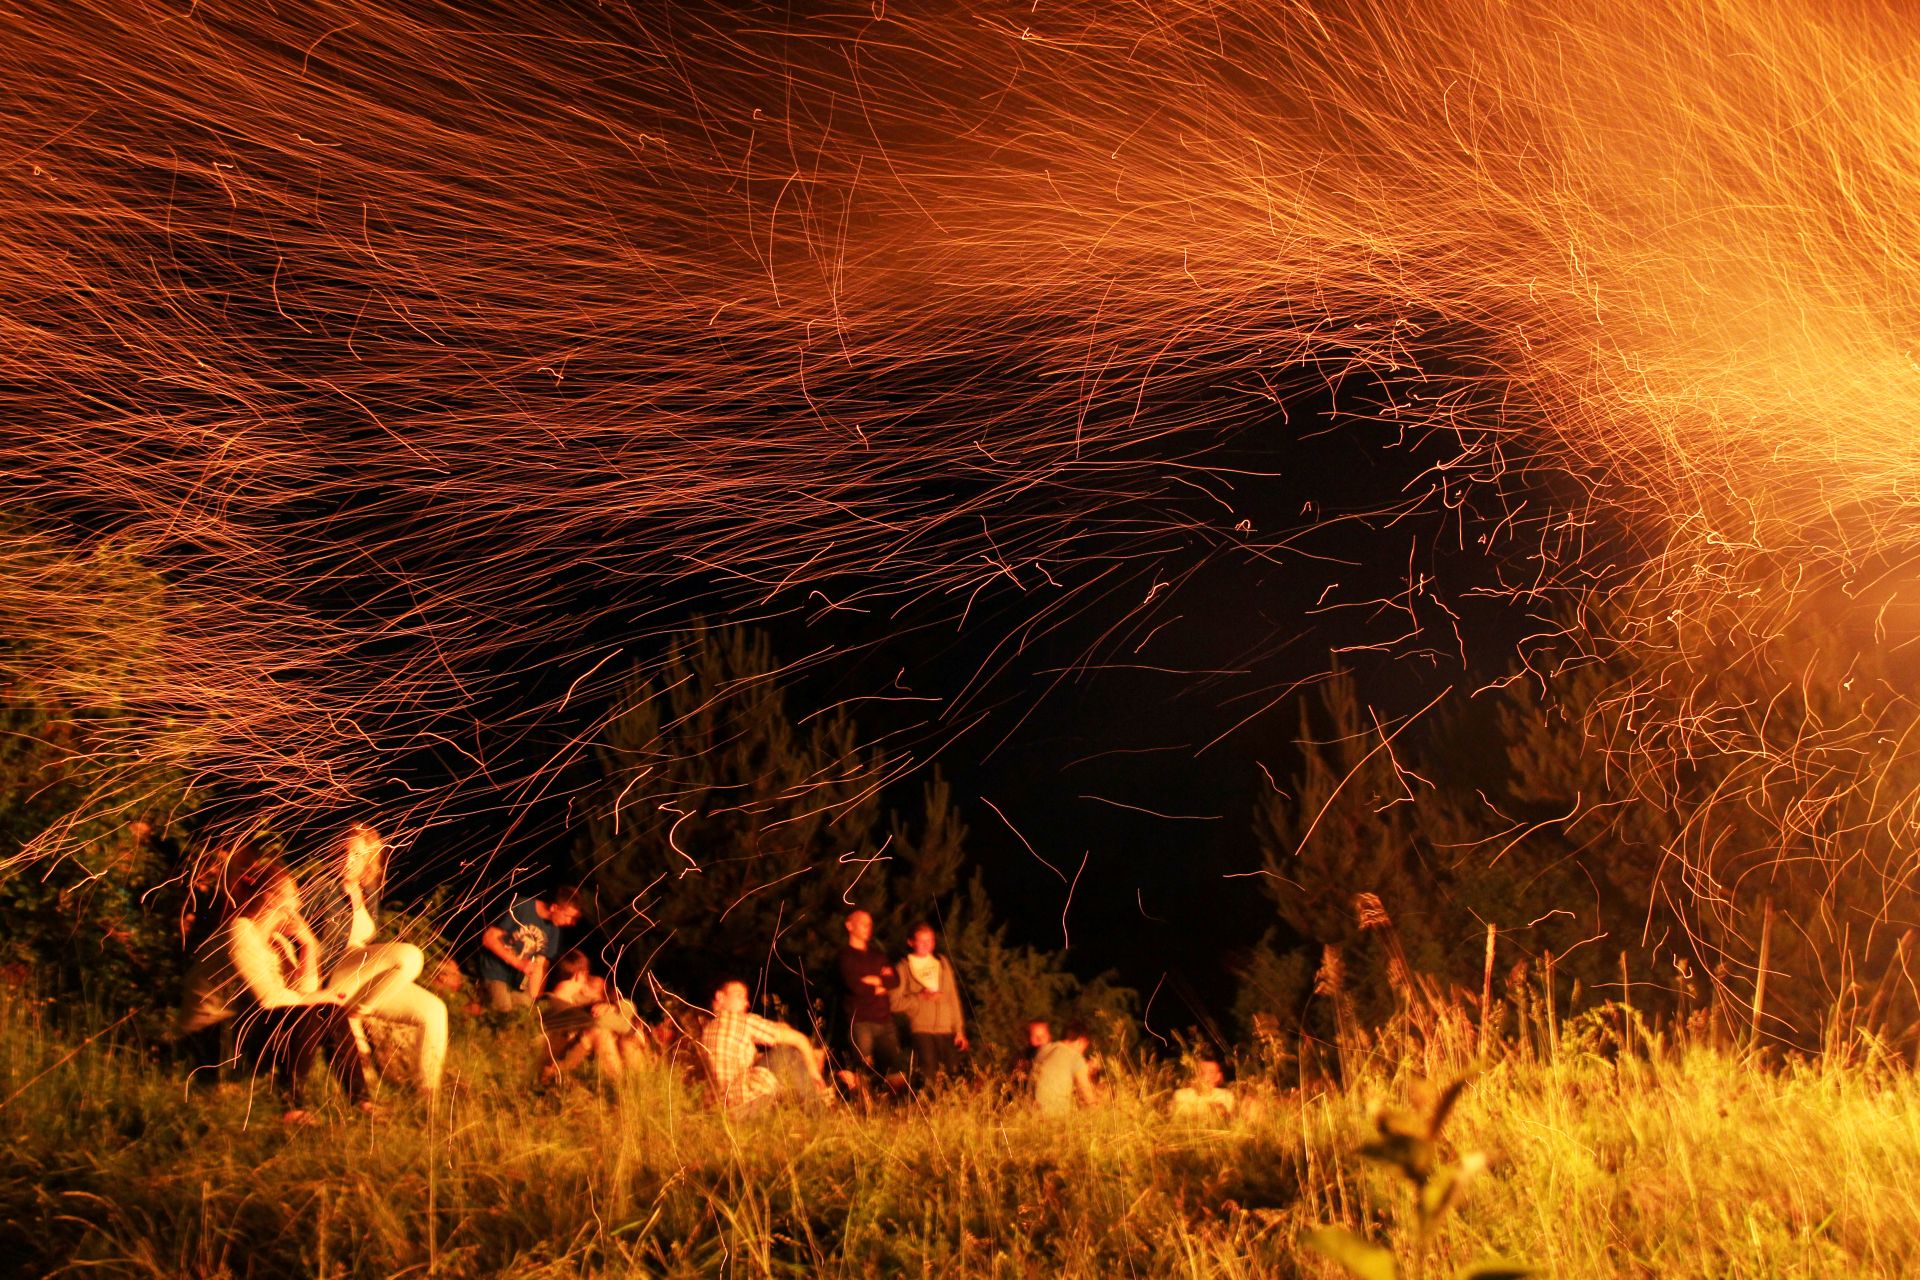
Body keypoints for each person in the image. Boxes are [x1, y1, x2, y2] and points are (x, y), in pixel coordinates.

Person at [178, 861, 372, 1123]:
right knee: (309, 1012)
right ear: (270, 899)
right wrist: (318, 998)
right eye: (293, 896)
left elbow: (306, 993)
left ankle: (362, 1101)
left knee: (328, 1011)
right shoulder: (239, 931)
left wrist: (308, 945)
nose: (298, 904)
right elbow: (269, 999)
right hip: (208, 1041)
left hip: (243, 1033)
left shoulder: (278, 943)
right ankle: (292, 1105)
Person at [303, 824, 449, 1100]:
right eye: (343, 852)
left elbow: (368, 942)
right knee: (410, 956)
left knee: (434, 1010)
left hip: (362, 975)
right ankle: (357, 1013)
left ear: (369, 860)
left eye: (357, 855)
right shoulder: (321, 886)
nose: (348, 860)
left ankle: (428, 1095)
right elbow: (299, 933)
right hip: (335, 972)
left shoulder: (367, 891)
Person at [700, 979, 826, 1110]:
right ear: (720, 997)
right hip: (744, 1100)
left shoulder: (707, 1029)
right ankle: (819, 1109)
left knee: (777, 1059)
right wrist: (815, 1072)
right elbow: (799, 1039)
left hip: (718, 1107)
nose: (747, 1003)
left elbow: (747, 1060)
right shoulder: (741, 1020)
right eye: (739, 996)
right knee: (785, 1054)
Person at [538, 949, 648, 1083]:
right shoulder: (550, 1004)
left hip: (573, 1058)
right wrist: (632, 1030)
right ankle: (622, 1085)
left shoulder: (577, 1001)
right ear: (579, 976)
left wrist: (614, 1006)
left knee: (623, 1037)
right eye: (586, 975)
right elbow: (601, 1021)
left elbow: (629, 1006)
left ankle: (639, 1083)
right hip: (552, 1062)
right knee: (600, 1032)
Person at [478, 885, 583, 1011]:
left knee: (523, 1012)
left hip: (516, 984)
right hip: (494, 972)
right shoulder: (522, 906)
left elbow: (540, 965)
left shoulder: (554, 929)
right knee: (504, 1009)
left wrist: (534, 1000)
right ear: (554, 907)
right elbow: (489, 938)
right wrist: (518, 963)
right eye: (568, 916)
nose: (570, 922)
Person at [837, 909, 906, 1090]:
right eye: (863, 923)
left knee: (895, 1069)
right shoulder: (845, 956)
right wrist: (880, 983)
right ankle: (862, 1103)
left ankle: (897, 1103)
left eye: (869, 924)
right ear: (849, 926)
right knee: (862, 1070)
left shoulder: (878, 955)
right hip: (861, 1021)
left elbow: (895, 980)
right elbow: (855, 986)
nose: (868, 927)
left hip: (884, 1020)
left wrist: (874, 981)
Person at [892, 922, 967, 1082]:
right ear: (911, 942)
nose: (927, 945)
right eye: (922, 941)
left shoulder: (942, 963)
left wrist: (959, 1029)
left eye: (930, 940)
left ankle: (953, 1098)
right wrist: (919, 997)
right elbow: (894, 1003)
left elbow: (952, 997)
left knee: (954, 1071)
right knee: (928, 1072)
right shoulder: (903, 967)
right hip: (922, 1028)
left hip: (946, 1027)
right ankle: (925, 1097)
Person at [1032, 1023, 1097, 1116]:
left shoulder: (1043, 1051)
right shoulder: (1075, 1057)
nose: (1082, 1052)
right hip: (1054, 1117)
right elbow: (1087, 1095)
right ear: (1081, 1041)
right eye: (1084, 1047)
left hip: (1029, 1114)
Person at [1171, 1056, 1236, 1121]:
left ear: (1218, 1076)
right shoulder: (1181, 1095)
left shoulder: (1226, 1095)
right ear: (1196, 1075)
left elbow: (1221, 1114)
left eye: (1211, 1072)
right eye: (1202, 1071)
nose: (1205, 1076)